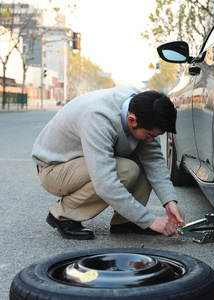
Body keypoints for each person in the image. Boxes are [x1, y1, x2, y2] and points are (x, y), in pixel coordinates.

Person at [32, 86, 185, 240]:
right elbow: (105, 183)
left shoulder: (144, 106)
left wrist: (169, 201)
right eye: (149, 135)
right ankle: (63, 214)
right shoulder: (98, 116)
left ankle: (126, 221)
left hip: (84, 161)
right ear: (132, 119)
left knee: (143, 159)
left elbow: (153, 159)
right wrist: (149, 220)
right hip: (54, 168)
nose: (151, 140)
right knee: (126, 170)